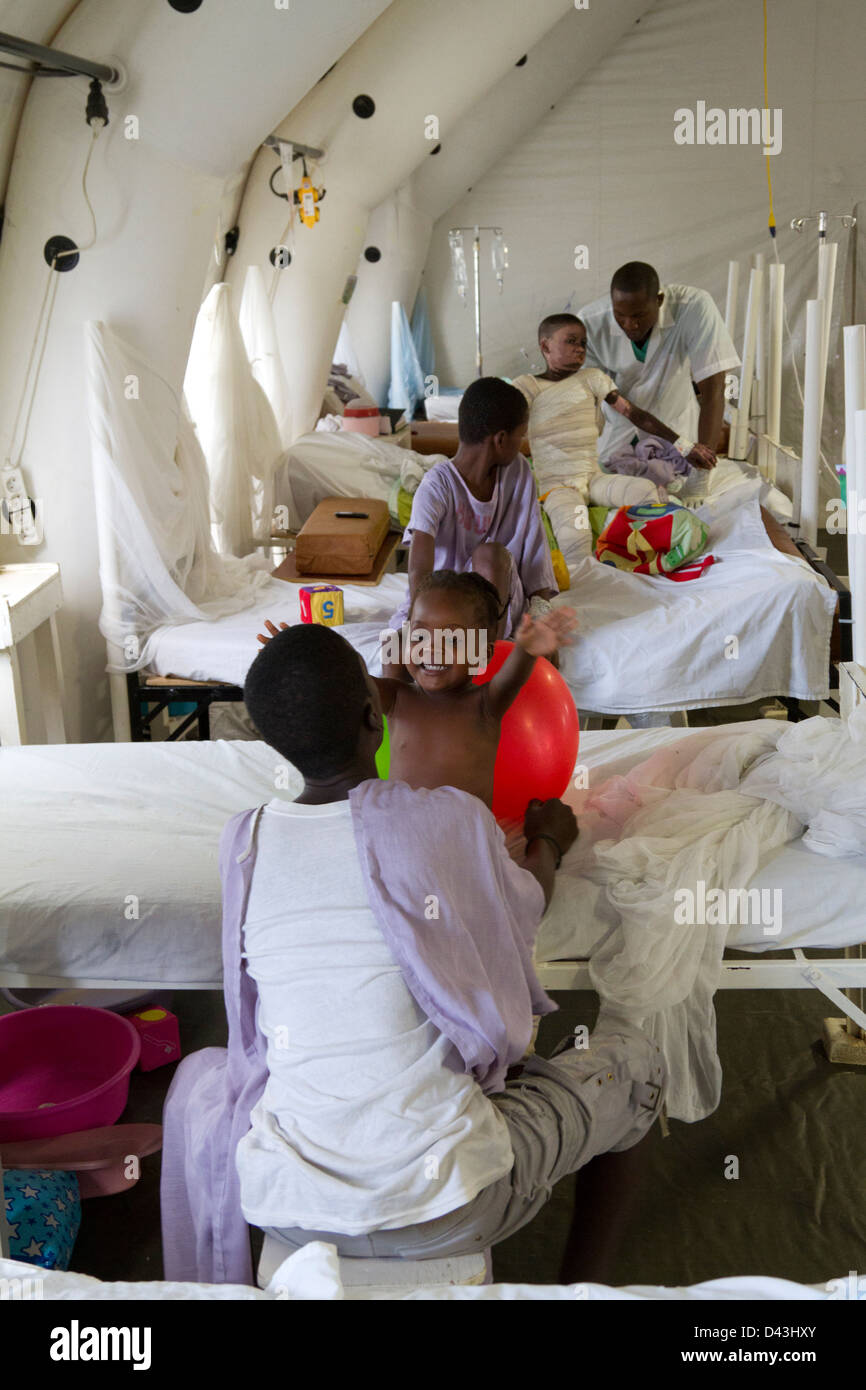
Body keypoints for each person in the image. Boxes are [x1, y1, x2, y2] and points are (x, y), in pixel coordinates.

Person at [231, 623, 666, 1280]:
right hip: (447, 1202)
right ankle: (583, 1287)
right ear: (374, 718)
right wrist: (549, 841)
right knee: (638, 1064)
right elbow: (520, 911)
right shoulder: (448, 819)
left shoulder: (245, 842)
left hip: (286, 1202)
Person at [260, 569, 577, 810]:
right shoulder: (398, 698)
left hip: (465, 838)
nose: (432, 649)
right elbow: (344, 679)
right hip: (405, 833)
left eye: (453, 640)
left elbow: (513, 676)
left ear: (483, 653)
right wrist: (302, 656)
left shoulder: (485, 705)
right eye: (419, 636)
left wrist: (527, 649)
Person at [511, 314, 717, 567]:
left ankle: (643, 553)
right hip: (559, 486)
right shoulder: (528, 387)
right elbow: (509, 431)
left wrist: (684, 446)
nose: (580, 348)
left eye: (584, 343)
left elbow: (636, 415)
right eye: (571, 341)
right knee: (575, 535)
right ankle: (587, 587)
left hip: (593, 477)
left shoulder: (592, 379)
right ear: (545, 346)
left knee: (648, 493)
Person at [388, 376, 558, 646]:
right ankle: (447, 644)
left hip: (498, 607)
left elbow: (534, 550)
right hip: (443, 605)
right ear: (501, 439)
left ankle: (490, 652)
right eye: (521, 435)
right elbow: (418, 571)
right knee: (393, 652)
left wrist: (540, 617)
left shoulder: (519, 473)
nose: (522, 444)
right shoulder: (437, 485)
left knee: (489, 554)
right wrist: (417, 627)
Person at [578, 261, 740, 468]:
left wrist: (702, 471)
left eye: (638, 315)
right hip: (618, 431)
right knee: (619, 484)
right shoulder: (589, 323)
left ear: (659, 300)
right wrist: (681, 444)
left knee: (673, 481)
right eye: (620, 315)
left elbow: (714, 390)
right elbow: (626, 410)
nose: (630, 325)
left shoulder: (694, 306)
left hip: (677, 424)